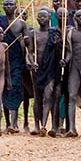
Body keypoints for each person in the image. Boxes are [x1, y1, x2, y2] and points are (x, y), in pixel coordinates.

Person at [0, 0, 27, 133]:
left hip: (16, 61)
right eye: (6, 4)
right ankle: (6, 123)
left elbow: (27, 43)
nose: (9, 6)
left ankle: (14, 123)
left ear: (16, 7)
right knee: (3, 89)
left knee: (15, 88)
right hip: (1, 61)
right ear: (3, 7)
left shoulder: (21, 24)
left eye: (11, 4)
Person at [29, 7, 62, 136]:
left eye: (45, 17)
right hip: (37, 69)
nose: (42, 19)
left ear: (49, 18)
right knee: (37, 98)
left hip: (50, 68)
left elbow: (60, 49)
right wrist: (32, 62)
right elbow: (30, 52)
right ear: (37, 19)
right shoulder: (34, 33)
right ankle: (37, 126)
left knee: (48, 95)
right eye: (40, 17)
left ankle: (45, 124)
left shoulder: (54, 33)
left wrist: (56, 44)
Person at [61, 9, 81, 137]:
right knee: (72, 95)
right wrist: (65, 60)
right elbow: (68, 51)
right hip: (74, 66)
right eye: (78, 16)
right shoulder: (69, 32)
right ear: (74, 18)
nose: (80, 18)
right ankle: (72, 128)